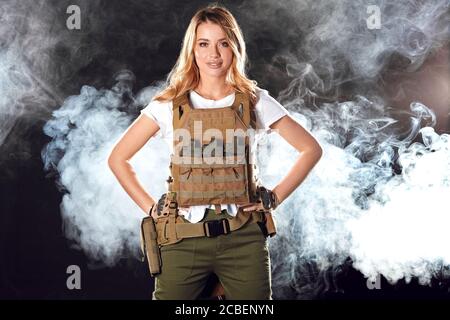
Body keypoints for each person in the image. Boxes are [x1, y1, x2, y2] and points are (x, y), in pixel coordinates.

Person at [108, 4, 322, 300]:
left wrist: (274, 197)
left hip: (243, 237)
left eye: (223, 43)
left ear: (235, 48)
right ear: (192, 50)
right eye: (204, 44)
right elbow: (118, 159)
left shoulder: (255, 100)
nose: (214, 54)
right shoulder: (168, 104)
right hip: (183, 239)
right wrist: (151, 209)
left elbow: (310, 149)